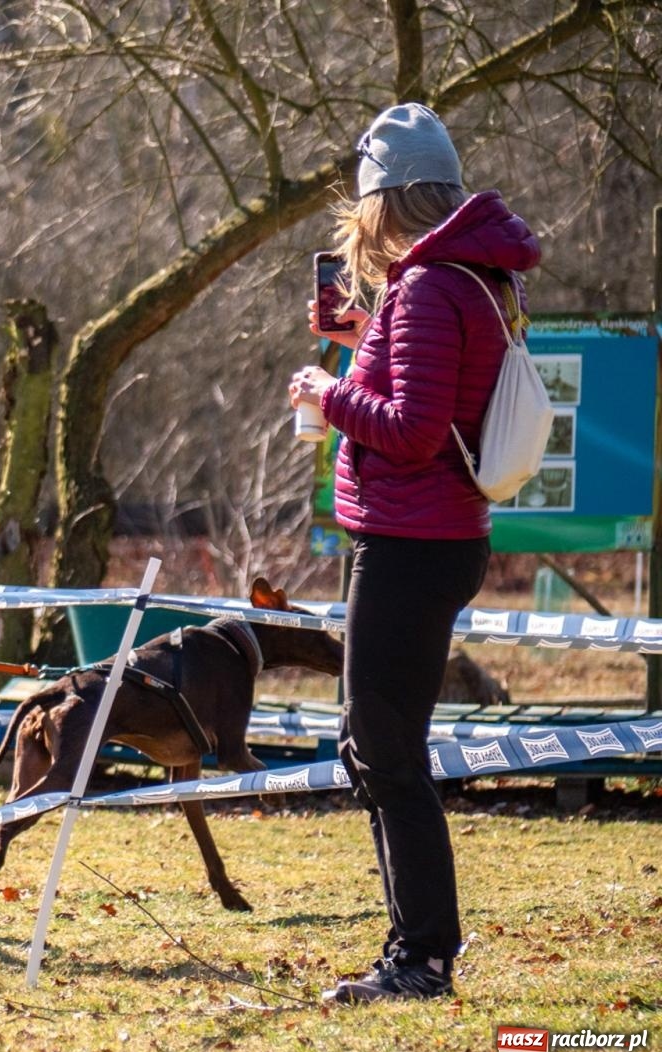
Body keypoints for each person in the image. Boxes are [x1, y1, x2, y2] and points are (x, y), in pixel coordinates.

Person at [288, 104, 539, 1003]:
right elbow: (427, 394)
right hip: (430, 534)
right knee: (380, 744)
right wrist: (367, 350)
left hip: (409, 539)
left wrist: (329, 388)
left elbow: (413, 429)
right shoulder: (470, 278)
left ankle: (423, 956)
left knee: (382, 746)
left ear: (386, 201)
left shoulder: (430, 286)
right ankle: (415, 947)